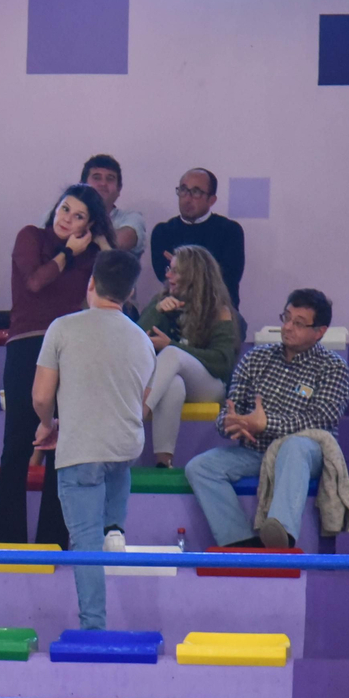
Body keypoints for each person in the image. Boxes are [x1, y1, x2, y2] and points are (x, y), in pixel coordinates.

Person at [32, 251, 156, 630]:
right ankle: (115, 525)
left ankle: (94, 627)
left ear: (91, 283)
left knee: (84, 544)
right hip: (123, 449)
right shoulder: (143, 341)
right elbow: (143, 400)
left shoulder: (63, 328)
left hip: (81, 449)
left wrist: (48, 423)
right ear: (130, 292)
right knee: (108, 518)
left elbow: (40, 395)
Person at [0, 184, 116, 547]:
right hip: (27, 344)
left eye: (79, 217)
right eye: (65, 209)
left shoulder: (90, 253)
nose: (67, 219)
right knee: (17, 443)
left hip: (71, 348)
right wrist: (67, 254)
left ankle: (54, 539)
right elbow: (34, 283)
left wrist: (101, 243)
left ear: (89, 225)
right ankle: (5, 539)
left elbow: (119, 287)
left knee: (63, 446)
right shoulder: (32, 236)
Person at [185, 290, 348, 549]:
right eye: (286, 317)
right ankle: (239, 542)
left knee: (294, 446)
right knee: (200, 467)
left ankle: (281, 535)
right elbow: (230, 408)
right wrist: (232, 423)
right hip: (256, 450)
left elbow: (322, 417)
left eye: (298, 323)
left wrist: (265, 424)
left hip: (306, 453)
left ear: (319, 332)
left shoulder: (332, 366)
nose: (287, 327)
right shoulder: (256, 358)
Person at [137, 245, 241, 467]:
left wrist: (171, 345)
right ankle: (164, 462)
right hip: (176, 383)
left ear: (193, 275)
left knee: (172, 353)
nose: (168, 275)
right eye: (169, 269)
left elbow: (222, 363)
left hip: (211, 386)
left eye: (175, 271)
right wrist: (157, 310)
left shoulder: (219, 309)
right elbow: (135, 345)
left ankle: (134, 418)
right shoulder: (162, 301)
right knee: (173, 384)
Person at [150, 168, 246, 310]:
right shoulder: (163, 231)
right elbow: (164, 276)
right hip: (175, 309)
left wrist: (181, 269)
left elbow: (227, 278)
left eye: (196, 192)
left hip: (219, 310)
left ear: (211, 200)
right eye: (183, 190)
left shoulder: (229, 231)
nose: (187, 198)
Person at [80, 154, 145, 259]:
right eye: (96, 178)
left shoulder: (131, 218)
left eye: (110, 179)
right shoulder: (58, 213)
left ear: (119, 189)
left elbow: (117, 244)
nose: (103, 183)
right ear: (82, 185)